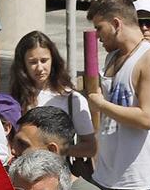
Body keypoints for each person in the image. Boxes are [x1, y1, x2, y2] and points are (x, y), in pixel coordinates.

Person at [85, 0, 150, 190]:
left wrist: (101, 104)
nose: (97, 35)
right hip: (105, 177)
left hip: (139, 182)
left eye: (100, 27)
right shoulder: (111, 58)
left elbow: (147, 117)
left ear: (116, 23)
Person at [7, 31, 95, 168]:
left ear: (53, 60)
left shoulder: (72, 99)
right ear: (22, 64)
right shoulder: (14, 99)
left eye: (44, 60)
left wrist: (56, 151)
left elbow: (90, 147)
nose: (40, 68)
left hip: (60, 176)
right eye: (32, 62)